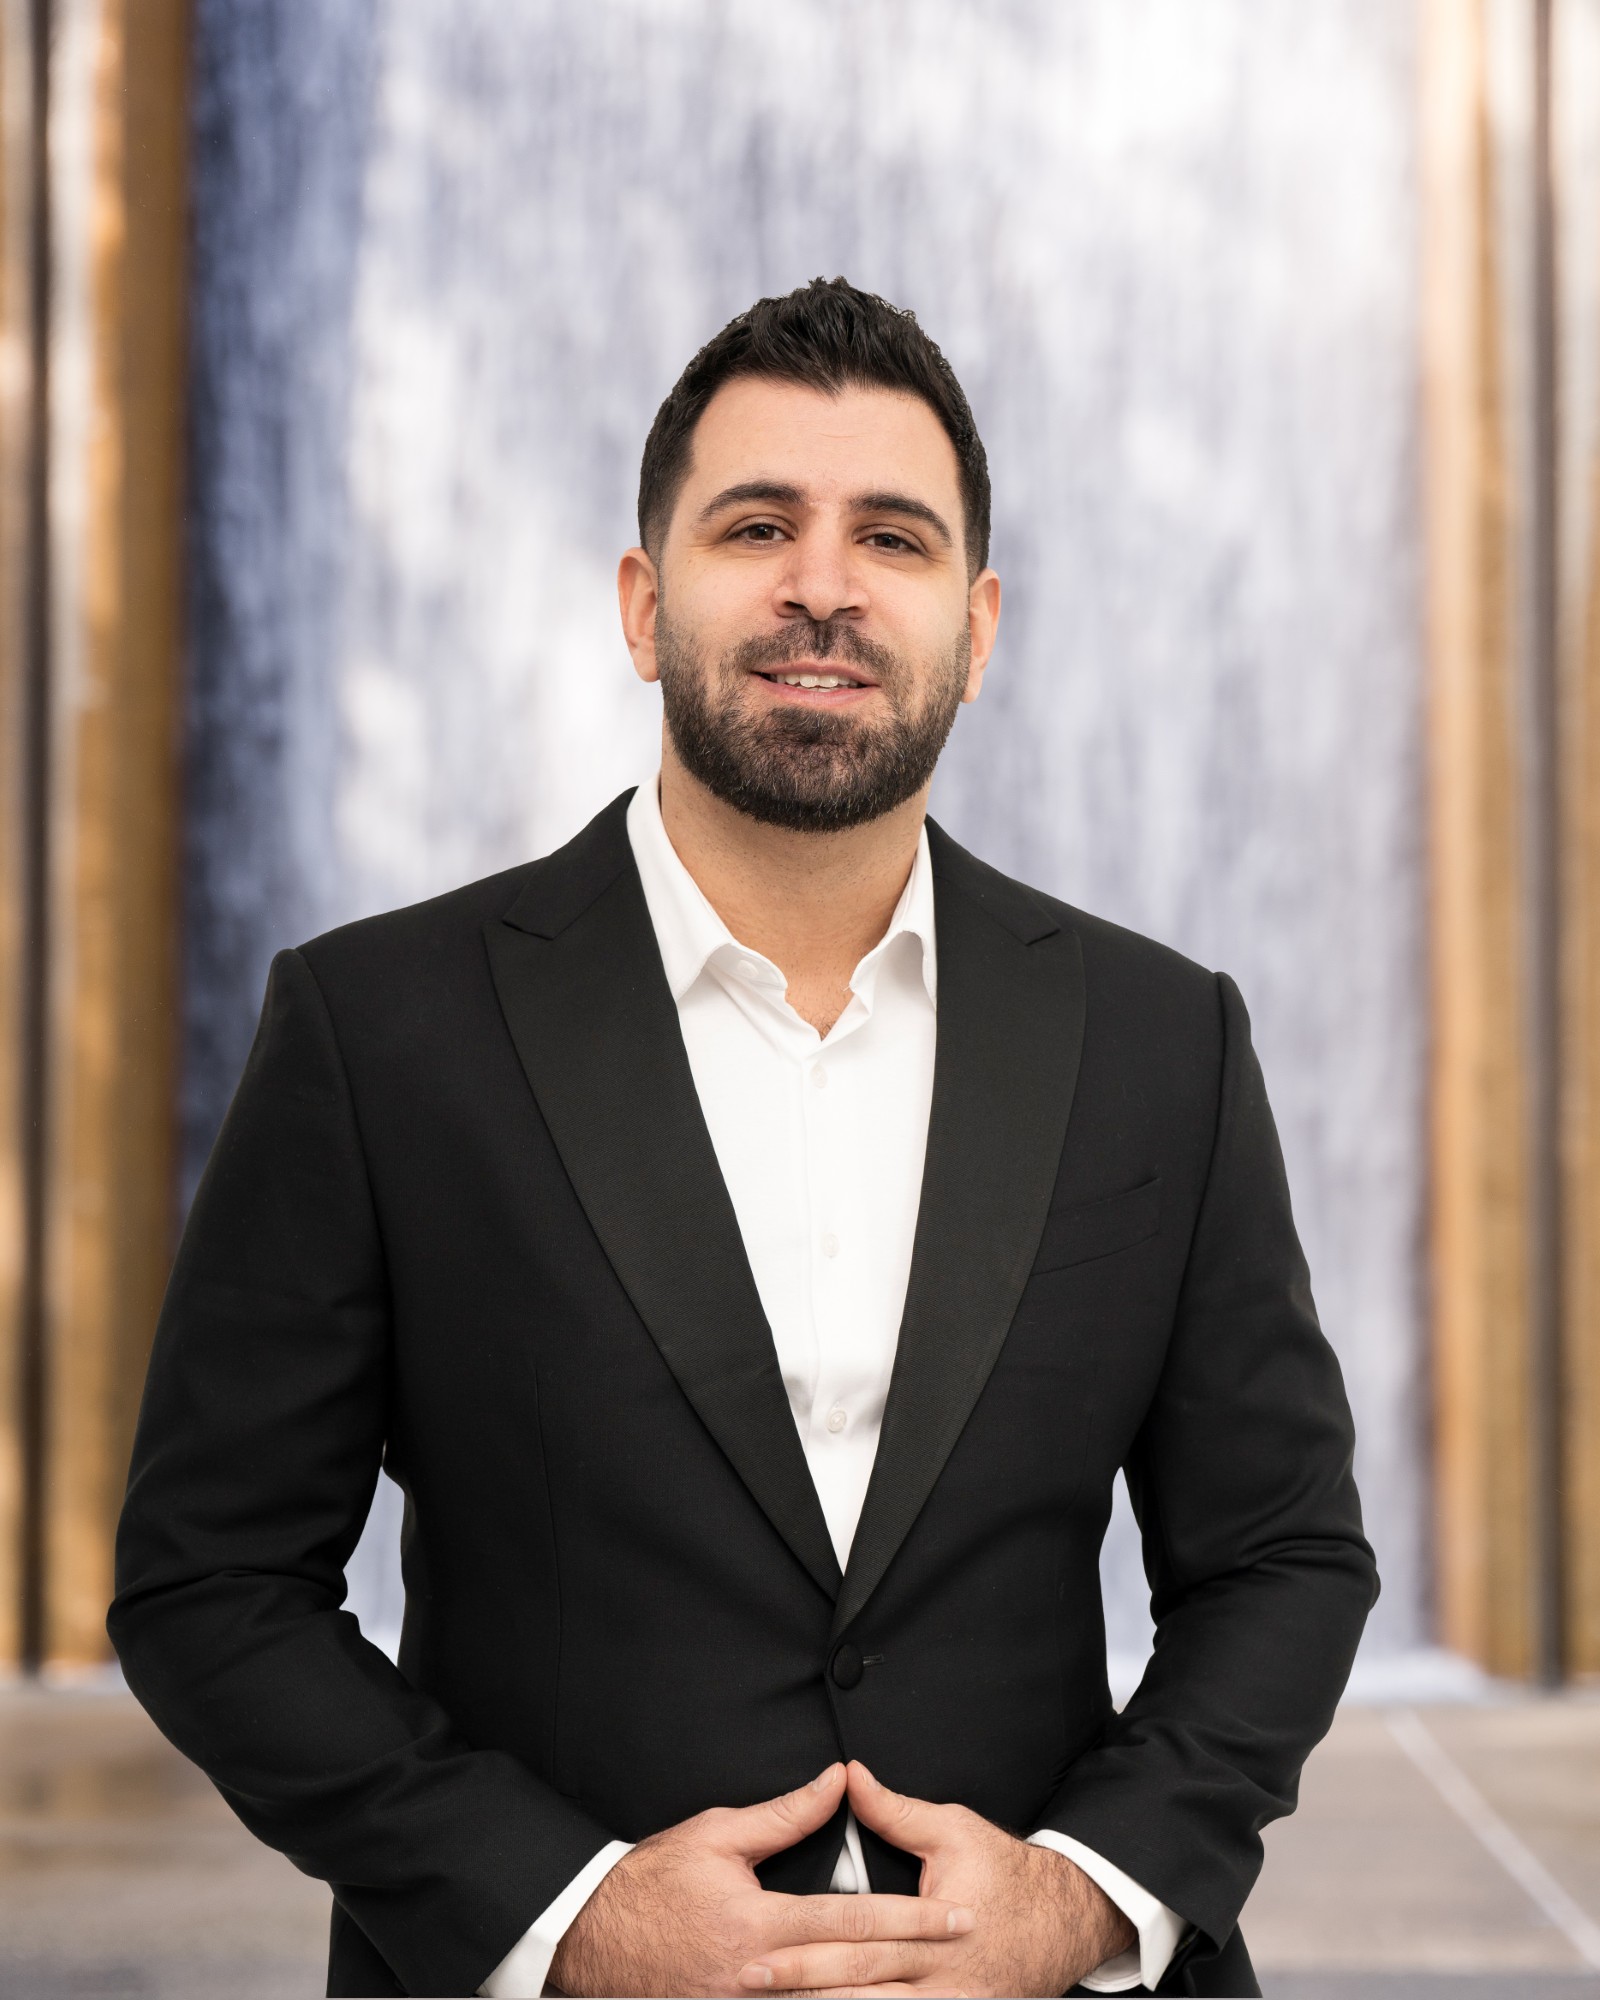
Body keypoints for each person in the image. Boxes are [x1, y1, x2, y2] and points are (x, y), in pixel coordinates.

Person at [110, 278, 1377, 1999]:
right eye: (758, 526)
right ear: (645, 605)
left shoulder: (1166, 1042)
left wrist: (1082, 1899)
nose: (823, 586)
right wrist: (567, 1914)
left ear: (978, 630)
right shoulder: (378, 1029)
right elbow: (212, 1579)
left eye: (893, 539)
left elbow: (1284, 1557)